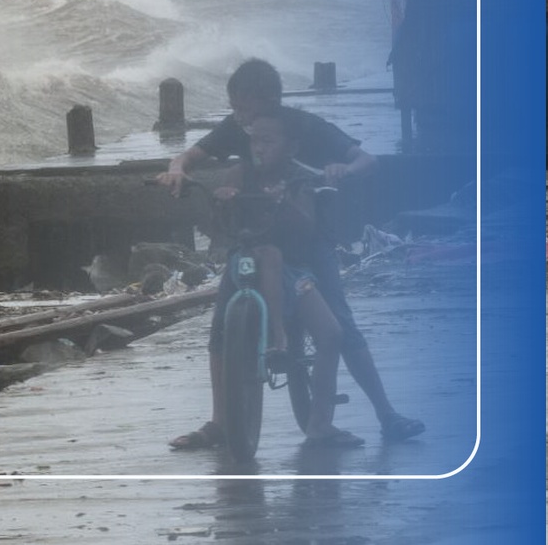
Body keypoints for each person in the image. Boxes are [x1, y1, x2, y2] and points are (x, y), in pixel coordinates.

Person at [160, 58, 425, 449]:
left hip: (307, 240)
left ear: (270, 101)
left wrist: (341, 170)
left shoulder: (305, 129)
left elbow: (366, 160)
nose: (242, 122)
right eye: (236, 111)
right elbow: (188, 158)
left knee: (340, 322)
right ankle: (220, 422)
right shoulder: (238, 129)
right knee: (220, 328)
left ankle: (386, 414)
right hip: (255, 236)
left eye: (245, 109)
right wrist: (178, 170)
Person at [212, 106, 354, 446]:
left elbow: (306, 228)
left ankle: (320, 423)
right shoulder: (239, 172)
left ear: (290, 147)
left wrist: (283, 202)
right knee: (266, 256)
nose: (259, 148)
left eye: (268, 141)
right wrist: (223, 199)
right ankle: (278, 338)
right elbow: (220, 222)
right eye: (254, 141)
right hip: (246, 263)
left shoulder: (299, 178)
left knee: (331, 334)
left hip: (293, 271)